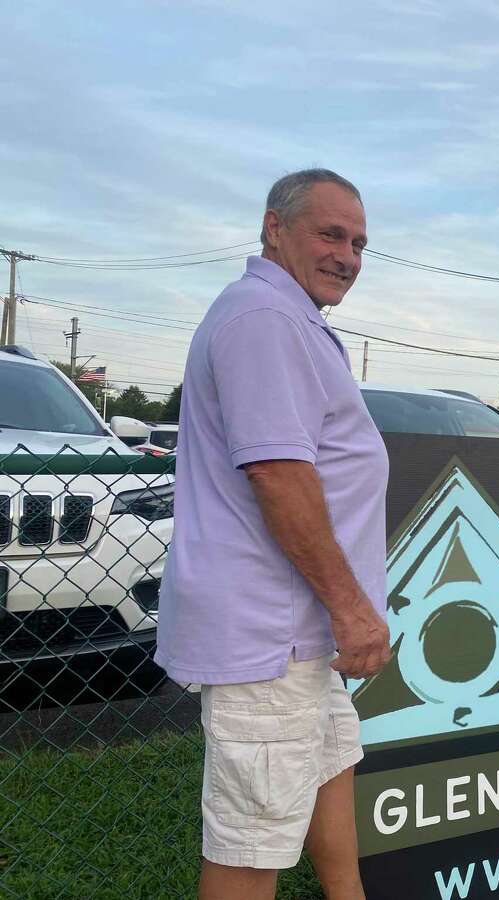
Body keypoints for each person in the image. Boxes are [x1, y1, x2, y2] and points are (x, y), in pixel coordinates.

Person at [156, 169, 392, 900]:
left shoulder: (287, 318)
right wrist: (353, 609)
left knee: (329, 774)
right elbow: (280, 476)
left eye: (358, 242)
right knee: (250, 846)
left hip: (300, 636)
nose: (348, 255)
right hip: (273, 637)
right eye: (331, 234)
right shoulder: (265, 319)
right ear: (273, 227)